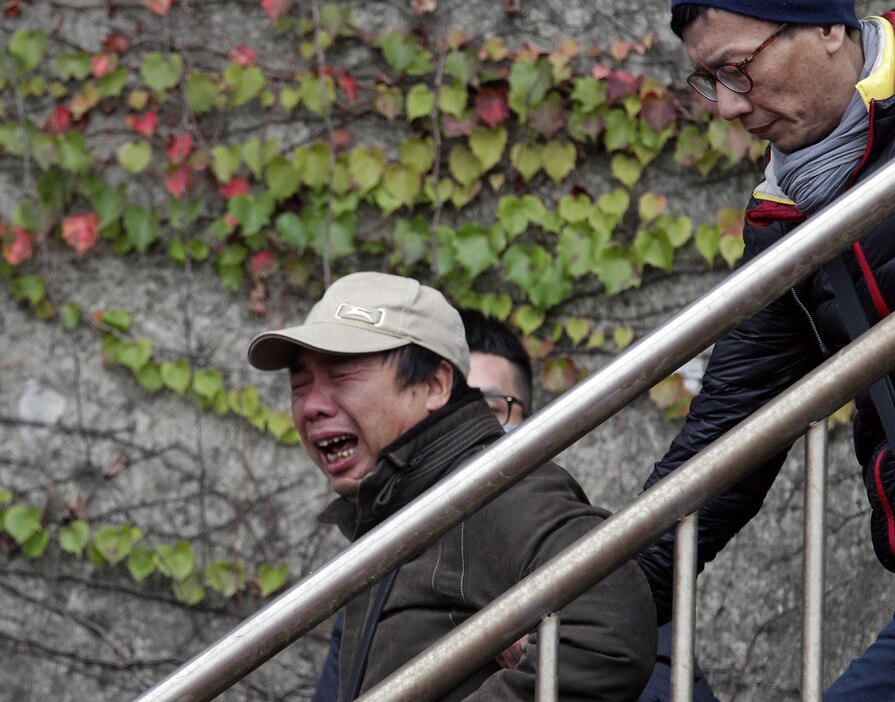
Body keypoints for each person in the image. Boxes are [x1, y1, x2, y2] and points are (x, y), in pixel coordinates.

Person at [635, 1, 895, 697]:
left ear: (827, 27)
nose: (725, 106)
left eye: (737, 71)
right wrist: (590, 607)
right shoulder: (789, 215)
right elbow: (728, 434)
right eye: (708, 80)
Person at [248, 271, 657, 701]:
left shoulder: (491, 489)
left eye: (344, 375)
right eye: (300, 383)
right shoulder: (403, 506)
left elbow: (610, 630)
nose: (312, 405)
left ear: (435, 385)